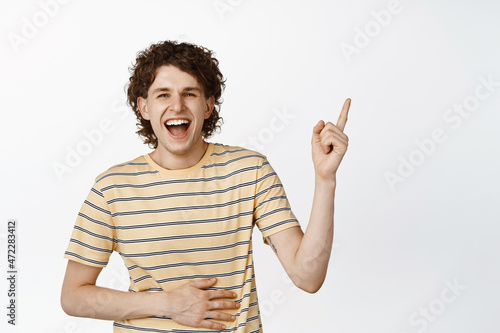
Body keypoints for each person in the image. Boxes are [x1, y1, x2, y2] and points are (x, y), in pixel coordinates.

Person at [60, 40, 351, 332]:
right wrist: (168, 304)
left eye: (190, 93)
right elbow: (73, 296)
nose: (177, 105)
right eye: (163, 94)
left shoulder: (250, 171)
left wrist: (325, 179)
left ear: (208, 105)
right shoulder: (112, 188)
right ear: (144, 107)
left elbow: (308, 277)